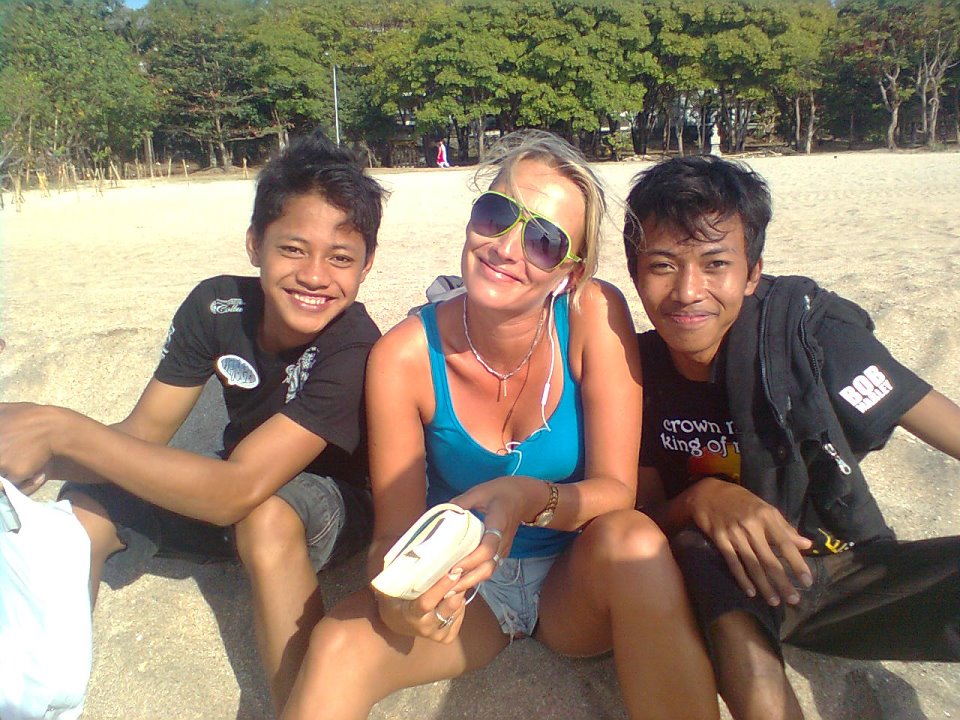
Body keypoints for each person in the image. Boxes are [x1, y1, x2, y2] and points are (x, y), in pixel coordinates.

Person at [280, 131, 719, 720]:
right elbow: (392, 536)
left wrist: (527, 499)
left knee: (635, 541)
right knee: (337, 644)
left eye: (544, 240)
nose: (507, 248)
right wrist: (401, 605)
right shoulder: (403, 359)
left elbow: (617, 491)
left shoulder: (593, 315)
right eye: (496, 214)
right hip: (466, 586)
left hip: (576, 577)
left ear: (570, 272)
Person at [0, 131, 387, 715]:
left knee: (266, 513)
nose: (314, 275)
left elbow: (237, 490)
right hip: (236, 487)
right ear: (255, 244)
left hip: (329, 506)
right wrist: (43, 454)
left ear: (366, 265)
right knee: (89, 500)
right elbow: (140, 436)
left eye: (340, 258)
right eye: (292, 248)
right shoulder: (216, 307)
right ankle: (33, 693)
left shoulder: (353, 344)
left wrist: (59, 429)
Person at [623, 155, 960, 720]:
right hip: (733, 584)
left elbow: (930, 416)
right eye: (662, 265)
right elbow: (639, 519)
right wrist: (702, 499)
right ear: (635, 273)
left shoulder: (809, 338)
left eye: (715, 263)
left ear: (752, 272)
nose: (688, 291)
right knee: (699, 550)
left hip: (854, 573)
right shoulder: (635, 375)